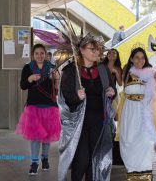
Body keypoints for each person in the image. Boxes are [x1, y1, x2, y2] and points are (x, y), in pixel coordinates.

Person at [58, 33, 117, 181]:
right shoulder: (71, 70)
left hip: (100, 122)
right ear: (82, 50)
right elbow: (65, 98)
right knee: (82, 159)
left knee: (94, 159)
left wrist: (111, 92)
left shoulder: (103, 69)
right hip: (79, 124)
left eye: (98, 49)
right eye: (93, 49)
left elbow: (111, 88)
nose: (97, 52)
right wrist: (76, 96)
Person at [119, 47, 156, 180]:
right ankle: (133, 176)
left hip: (144, 117)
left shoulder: (151, 73)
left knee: (146, 144)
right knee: (129, 145)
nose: (140, 60)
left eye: (142, 58)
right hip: (129, 115)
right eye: (137, 57)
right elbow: (124, 93)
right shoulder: (127, 72)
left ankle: (145, 177)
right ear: (131, 59)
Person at [16, 43, 61, 176]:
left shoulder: (52, 69)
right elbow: (23, 86)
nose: (40, 56)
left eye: (42, 53)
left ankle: (45, 158)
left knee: (47, 135)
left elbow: (56, 89)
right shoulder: (28, 68)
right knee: (35, 136)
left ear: (46, 54)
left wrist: (57, 80)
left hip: (50, 105)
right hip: (33, 106)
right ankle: (34, 163)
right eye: (37, 53)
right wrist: (30, 78)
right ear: (33, 55)